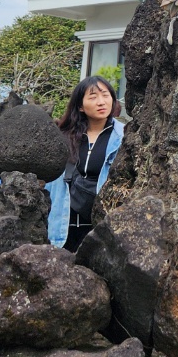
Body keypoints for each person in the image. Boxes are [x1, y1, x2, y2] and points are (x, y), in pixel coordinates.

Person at [48, 75, 124, 251]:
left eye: (105, 95)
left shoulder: (124, 137)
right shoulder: (62, 137)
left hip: (100, 228)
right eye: (93, 97)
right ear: (80, 106)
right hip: (63, 227)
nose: (101, 102)